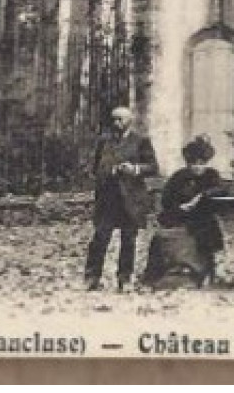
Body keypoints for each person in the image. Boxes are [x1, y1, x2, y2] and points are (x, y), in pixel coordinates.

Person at [84, 106, 160, 291]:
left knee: (128, 238)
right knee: (101, 237)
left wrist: (134, 169)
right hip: (108, 197)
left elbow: (153, 167)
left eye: (121, 119)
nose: (117, 123)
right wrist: (108, 170)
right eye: (114, 119)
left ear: (129, 121)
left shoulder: (141, 141)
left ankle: (124, 278)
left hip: (131, 197)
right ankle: (92, 277)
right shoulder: (104, 140)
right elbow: (94, 167)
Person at [142, 135, 226, 289]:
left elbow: (220, 189)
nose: (197, 167)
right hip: (179, 216)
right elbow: (167, 199)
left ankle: (202, 271)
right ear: (188, 163)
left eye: (201, 164)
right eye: (193, 163)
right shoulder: (179, 176)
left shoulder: (211, 175)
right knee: (161, 237)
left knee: (206, 234)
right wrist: (180, 207)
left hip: (203, 218)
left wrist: (201, 196)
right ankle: (159, 274)